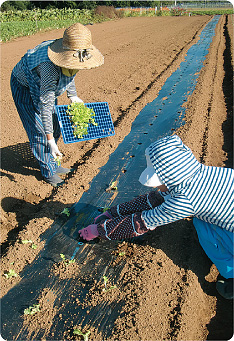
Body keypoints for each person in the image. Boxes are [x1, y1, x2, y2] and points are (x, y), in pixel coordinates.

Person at [79, 134, 234, 299]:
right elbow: (156, 199)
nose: (158, 186)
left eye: (159, 181)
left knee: (203, 227)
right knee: (203, 220)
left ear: (170, 177)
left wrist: (98, 230)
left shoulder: (186, 200)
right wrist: (113, 212)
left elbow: (142, 222)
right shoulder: (203, 173)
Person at [10, 23, 104, 186]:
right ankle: (48, 172)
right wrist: (50, 140)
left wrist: (73, 96)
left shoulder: (71, 54)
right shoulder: (49, 69)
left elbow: (70, 72)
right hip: (23, 85)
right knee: (39, 131)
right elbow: (45, 106)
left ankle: (53, 163)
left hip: (45, 84)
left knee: (56, 124)